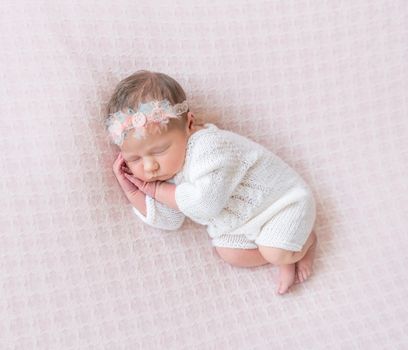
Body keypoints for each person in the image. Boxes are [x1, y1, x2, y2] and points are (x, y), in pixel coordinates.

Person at [105, 70, 317, 295]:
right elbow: (170, 219)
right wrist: (133, 190)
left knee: (274, 251)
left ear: (189, 124)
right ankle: (285, 249)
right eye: (135, 159)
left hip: (283, 204)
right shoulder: (168, 170)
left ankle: (305, 243)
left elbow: (205, 205)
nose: (149, 167)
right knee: (230, 253)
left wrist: (155, 189)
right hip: (246, 222)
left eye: (160, 150)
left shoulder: (209, 146)